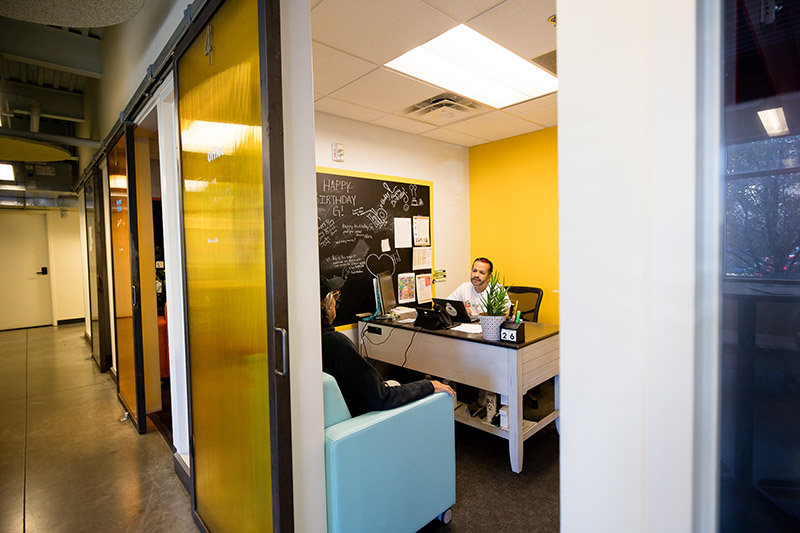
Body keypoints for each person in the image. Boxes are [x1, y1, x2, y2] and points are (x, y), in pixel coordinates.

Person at [320, 275, 454, 417]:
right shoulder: (337, 344)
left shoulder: (310, 342)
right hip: (365, 415)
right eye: (334, 296)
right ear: (327, 305)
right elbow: (382, 397)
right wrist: (428, 385)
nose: (335, 302)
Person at [446, 257, 511, 317]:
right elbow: (447, 304)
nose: (476, 275)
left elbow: (506, 312)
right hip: (467, 327)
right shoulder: (464, 287)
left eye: (482, 272)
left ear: (489, 276)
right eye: (474, 271)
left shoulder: (497, 289)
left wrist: (489, 320)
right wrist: (462, 310)